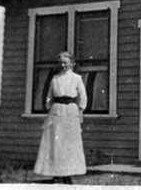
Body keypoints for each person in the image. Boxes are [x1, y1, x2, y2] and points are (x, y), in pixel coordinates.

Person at [34, 51, 87, 184]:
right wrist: (50, 109)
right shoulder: (55, 79)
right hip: (56, 111)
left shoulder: (76, 78)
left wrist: (80, 111)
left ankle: (67, 174)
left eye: (66, 62)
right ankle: (56, 173)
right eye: (61, 63)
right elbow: (49, 97)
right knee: (55, 143)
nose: (63, 65)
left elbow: (83, 97)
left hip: (70, 112)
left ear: (71, 63)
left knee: (68, 143)